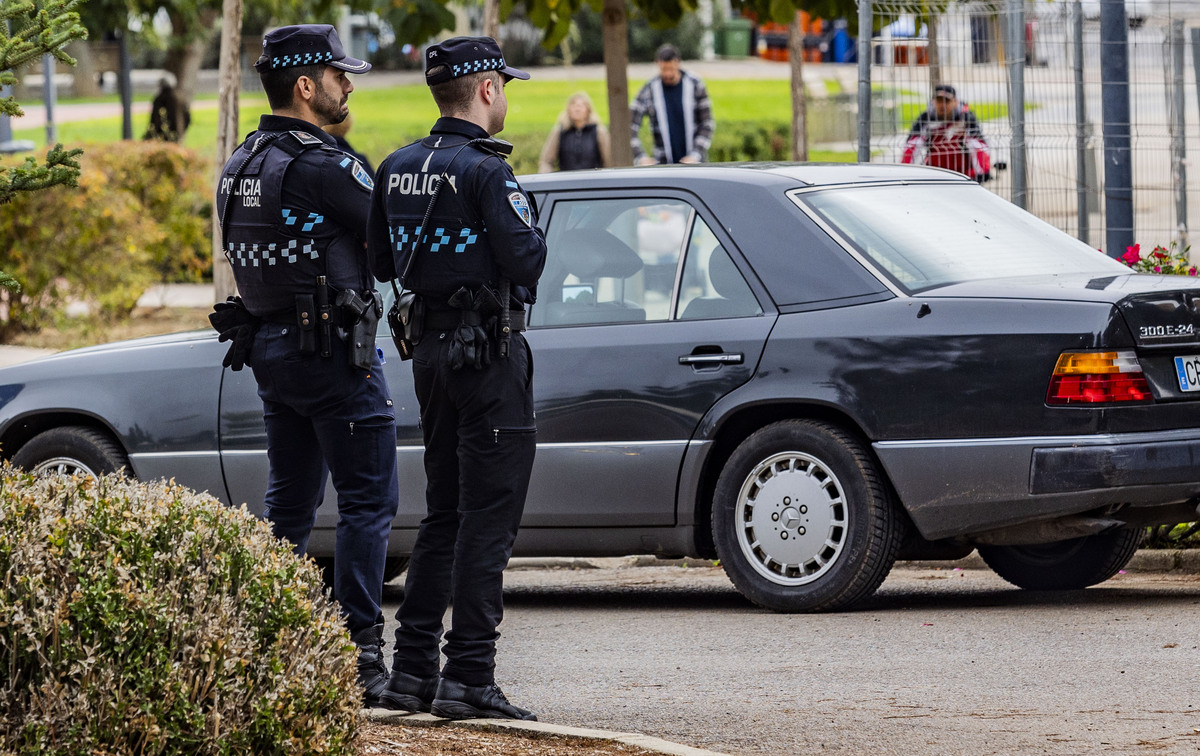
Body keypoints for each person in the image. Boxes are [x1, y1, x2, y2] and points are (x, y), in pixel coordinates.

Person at [210, 23, 399, 707]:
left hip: (270, 355)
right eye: (339, 75)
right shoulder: (325, 164)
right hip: (333, 359)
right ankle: (361, 660)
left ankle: (267, 645)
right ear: (305, 85)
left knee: (287, 505)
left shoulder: (241, 161)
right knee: (369, 501)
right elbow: (392, 244)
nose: (349, 85)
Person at [365, 35, 546, 721]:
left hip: (432, 357)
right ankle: (469, 674)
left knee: (443, 512)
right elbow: (527, 262)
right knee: (487, 521)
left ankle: (412, 671)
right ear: (487, 89)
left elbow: (382, 264)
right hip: (490, 358)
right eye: (506, 83)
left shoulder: (396, 166)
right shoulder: (487, 173)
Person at [630, 44, 715, 166]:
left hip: (696, 164)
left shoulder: (696, 85)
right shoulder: (649, 89)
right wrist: (640, 156)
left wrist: (696, 154)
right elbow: (629, 125)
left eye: (671, 69)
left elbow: (707, 124)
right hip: (663, 165)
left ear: (678, 63)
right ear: (657, 64)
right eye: (664, 69)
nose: (668, 74)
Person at [901, 84, 993, 182]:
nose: (943, 105)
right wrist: (905, 172)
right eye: (939, 101)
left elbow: (978, 144)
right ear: (933, 102)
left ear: (955, 102)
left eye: (947, 101)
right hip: (934, 173)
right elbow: (912, 145)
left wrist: (982, 171)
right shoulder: (925, 119)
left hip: (963, 175)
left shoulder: (966, 118)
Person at [537, 91, 611, 172]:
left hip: (593, 181)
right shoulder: (560, 131)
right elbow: (546, 161)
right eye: (574, 105)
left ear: (588, 110)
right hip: (566, 181)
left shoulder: (599, 131)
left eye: (582, 105)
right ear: (568, 110)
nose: (577, 108)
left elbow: (608, 161)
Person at [144, 77, 190, 142]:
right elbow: (188, 117)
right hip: (178, 133)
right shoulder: (180, 98)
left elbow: (154, 119)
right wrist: (182, 130)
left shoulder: (160, 99)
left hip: (162, 135)